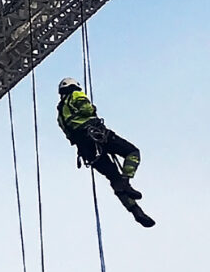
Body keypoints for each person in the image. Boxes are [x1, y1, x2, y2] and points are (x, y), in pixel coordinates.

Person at [57, 77, 154, 228]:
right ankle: (126, 182)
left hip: (86, 150)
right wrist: (92, 109)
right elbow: (87, 110)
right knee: (132, 152)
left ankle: (136, 211)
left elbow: (69, 134)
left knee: (113, 178)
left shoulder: (60, 115)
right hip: (97, 135)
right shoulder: (76, 95)